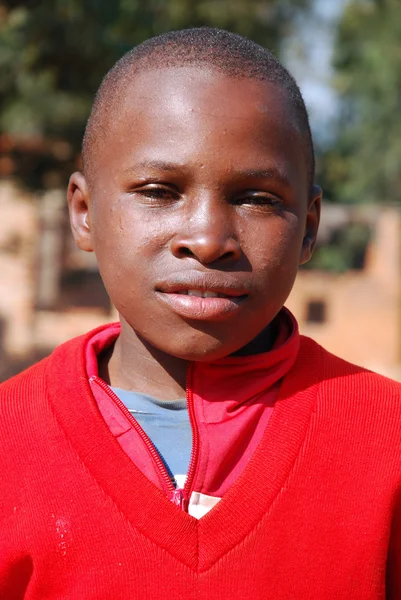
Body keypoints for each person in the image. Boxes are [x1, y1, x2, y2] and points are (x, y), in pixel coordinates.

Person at [0, 27, 400, 600]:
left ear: (308, 227)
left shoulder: (387, 443)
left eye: (256, 198)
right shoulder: (9, 444)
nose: (209, 239)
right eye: (160, 191)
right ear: (85, 214)